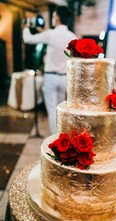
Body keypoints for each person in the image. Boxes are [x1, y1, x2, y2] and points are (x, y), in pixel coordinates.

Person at [23, 6, 77, 134]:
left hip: (51, 78)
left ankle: (55, 137)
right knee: (61, 110)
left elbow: (28, 39)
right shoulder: (73, 36)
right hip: (65, 78)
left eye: (53, 16)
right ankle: (62, 135)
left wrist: (26, 27)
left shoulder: (51, 34)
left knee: (52, 110)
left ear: (57, 17)